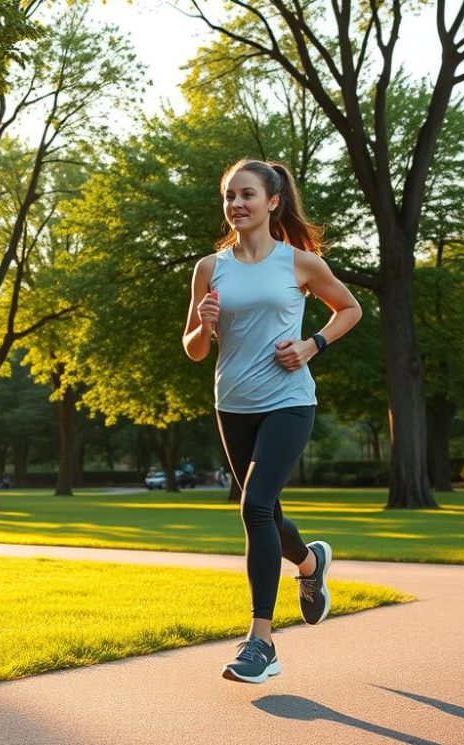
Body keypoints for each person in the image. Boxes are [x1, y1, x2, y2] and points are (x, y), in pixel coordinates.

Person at [182, 158, 362, 684]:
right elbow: (194, 350)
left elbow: (348, 309)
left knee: (254, 507)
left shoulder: (299, 264)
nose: (237, 204)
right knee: (268, 514)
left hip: (289, 401)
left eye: (247, 195)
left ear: (272, 202)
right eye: (230, 197)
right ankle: (310, 564)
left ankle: (260, 644)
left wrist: (312, 344)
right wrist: (204, 327)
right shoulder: (210, 268)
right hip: (232, 404)